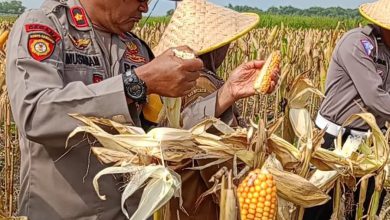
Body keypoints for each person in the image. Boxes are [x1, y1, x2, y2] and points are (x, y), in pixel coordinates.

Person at [6, 0, 278, 219]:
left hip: (133, 210)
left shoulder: (135, 49)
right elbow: (35, 113)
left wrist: (225, 95)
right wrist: (137, 82)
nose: (145, 8)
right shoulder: (44, 27)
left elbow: (160, 135)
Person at [145, 1, 279, 219]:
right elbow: (217, 164)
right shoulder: (201, 86)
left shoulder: (177, 82)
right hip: (198, 206)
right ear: (215, 46)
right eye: (226, 42)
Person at [304, 0, 389, 219]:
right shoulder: (358, 44)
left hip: (369, 147)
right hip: (331, 141)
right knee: (318, 208)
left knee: (363, 209)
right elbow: (375, 97)